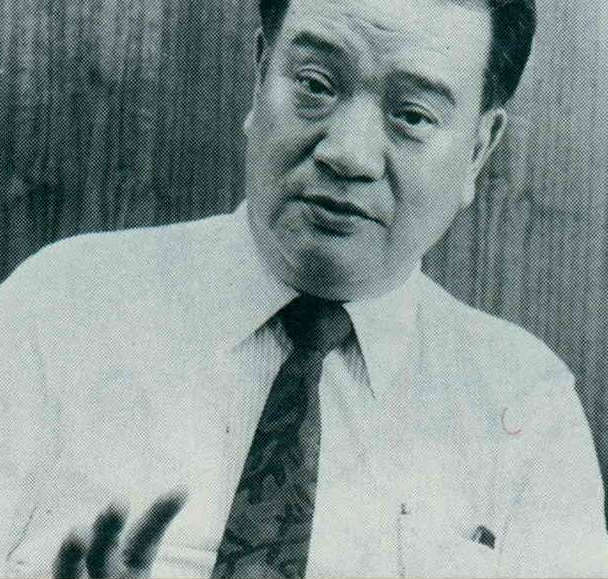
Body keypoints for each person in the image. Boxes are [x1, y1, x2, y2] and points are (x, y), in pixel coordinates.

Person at [0, 0, 607, 576]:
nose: (348, 155)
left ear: (477, 149)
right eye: (315, 85)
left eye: (412, 116)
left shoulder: (525, 408)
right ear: (261, 75)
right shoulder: (57, 313)